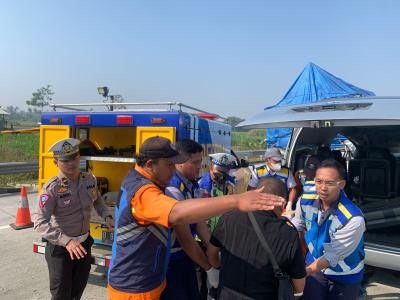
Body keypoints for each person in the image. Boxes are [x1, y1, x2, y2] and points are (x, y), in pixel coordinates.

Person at [107, 136, 285, 300]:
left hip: (149, 280)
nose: (173, 169)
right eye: (169, 165)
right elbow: (177, 213)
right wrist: (237, 201)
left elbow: (198, 223)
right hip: (135, 287)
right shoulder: (143, 192)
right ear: (150, 164)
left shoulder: (144, 181)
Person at [32, 138, 114, 300]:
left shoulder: (89, 180)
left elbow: (97, 200)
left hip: (83, 244)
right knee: (62, 295)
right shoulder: (52, 188)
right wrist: (67, 241)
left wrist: (107, 215)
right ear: (56, 162)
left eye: (74, 157)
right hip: (61, 249)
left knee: (77, 291)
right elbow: (39, 222)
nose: (71, 163)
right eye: (65, 160)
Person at [207, 177, 306, 299]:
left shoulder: (228, 217)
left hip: (226, 294)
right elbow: (299, 286)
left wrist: (221, 269)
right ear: (282, 203)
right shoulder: (289, 234)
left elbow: (212, 254)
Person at [291, 159, 366, 300]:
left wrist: (302, 272)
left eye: (330, 183)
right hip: (315, 265)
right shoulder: (305, 200)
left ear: (341, 184)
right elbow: (298, 223)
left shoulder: (353, 218)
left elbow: (331, 256)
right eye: (319, 181)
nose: (323, 188)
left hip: (345, 274)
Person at [161, 139, 218, 300]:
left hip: (186, 257)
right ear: (179, 162)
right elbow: (185, 238)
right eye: (195, 162)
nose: (200, 166)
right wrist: (209, 269)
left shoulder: (192, 184)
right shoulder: (172, 188)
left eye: (201, 161)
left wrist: (213, 248)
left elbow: (200, 223)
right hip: (170, 261)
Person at [248, 147, 297, 214]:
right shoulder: (258, 172)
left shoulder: (286, 172)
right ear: (267, 160)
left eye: (280, 161)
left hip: (281, 206)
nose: (278, 163)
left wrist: (289, 204)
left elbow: (293, 189)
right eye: (276, 161)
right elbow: (251, 189)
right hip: (263, 206)